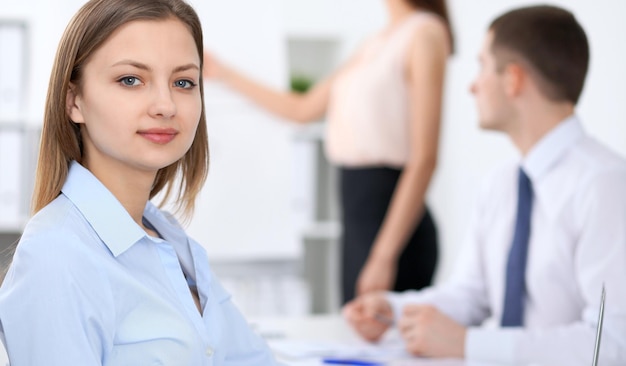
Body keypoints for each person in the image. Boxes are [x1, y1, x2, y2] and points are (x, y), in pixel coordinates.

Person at [343, 5, 626, 365]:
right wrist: (395, 311)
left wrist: (469, 345)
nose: (472, 85)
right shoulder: (501, 184)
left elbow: (612, 343)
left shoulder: (605, 185)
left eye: (481, 66)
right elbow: (472, 294)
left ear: (513, 79)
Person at [0, 0, 280, 365]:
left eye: (183, 82)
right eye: (130, 80)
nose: (165, 105)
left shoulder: (168, 236)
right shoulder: (56, 257)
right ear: (74, 102)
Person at [204, 0, 454, 303]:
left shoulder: (425, 33)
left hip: (392, 226)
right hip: (356, 218)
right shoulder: (375, 42)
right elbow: (301, 108)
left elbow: (425, 158)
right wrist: (223, 73)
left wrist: (384, 256)